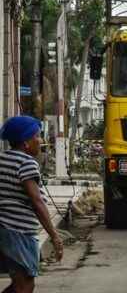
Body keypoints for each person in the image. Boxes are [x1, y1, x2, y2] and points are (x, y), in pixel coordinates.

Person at [0, 116, 63, 292]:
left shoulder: (3, 159)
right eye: (37, 136)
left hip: (5, 229)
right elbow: (37, 202)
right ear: (26, 143)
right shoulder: (27, 163)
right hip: (18, 232)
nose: (41, 140)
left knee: (20, 283)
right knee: (24, 285)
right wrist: (54, 235)